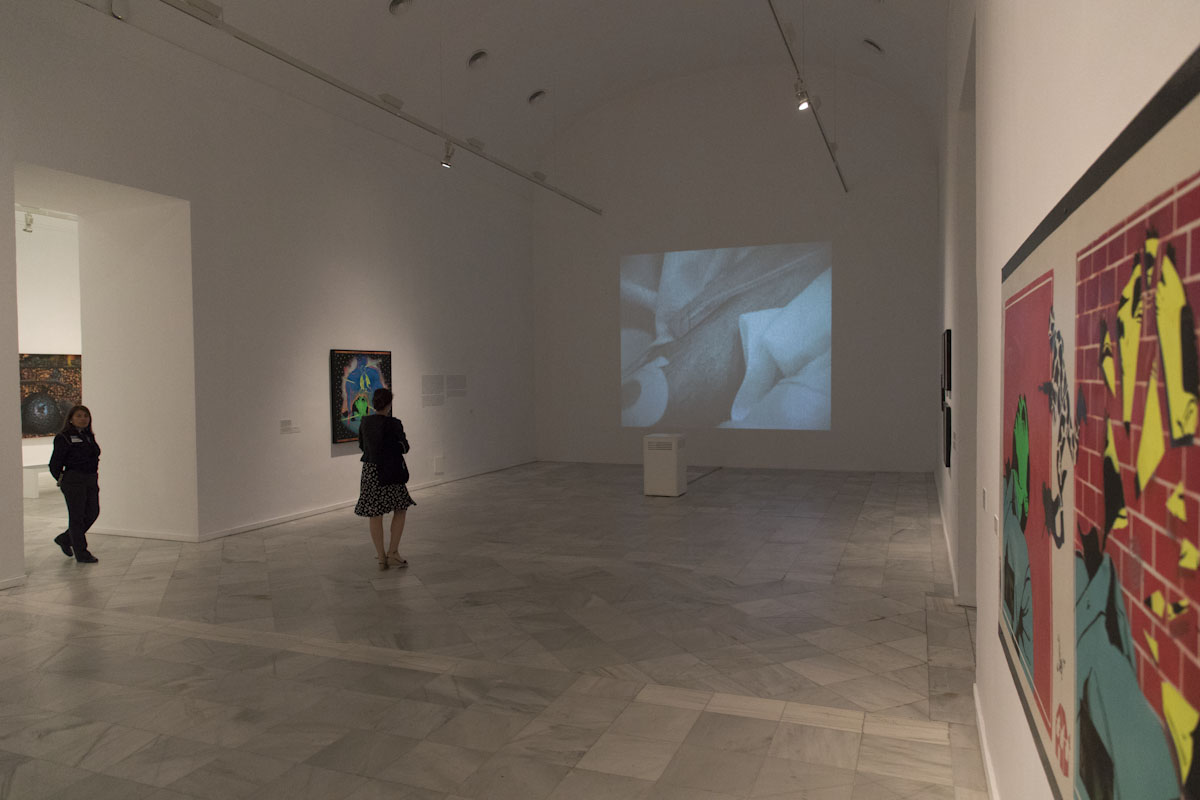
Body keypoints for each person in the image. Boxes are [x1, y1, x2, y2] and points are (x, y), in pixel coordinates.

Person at [354, 388, 415, 569]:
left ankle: (381, 556)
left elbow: (362, 446)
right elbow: (404, 448)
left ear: (374, 403)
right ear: (388, 404)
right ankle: (393, 552)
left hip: (371, 471)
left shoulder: (365, 422)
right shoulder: (394, 424)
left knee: (375, 513)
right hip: (391, 471)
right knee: (400, 508)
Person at [48, 404, 101, 564]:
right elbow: (54, 464)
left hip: (91, 479)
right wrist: (63, 480)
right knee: (77, 516)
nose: (83, 419)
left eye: (85, 416)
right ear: (71, 419)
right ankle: (81, 553)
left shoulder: (88, 436)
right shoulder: (63, 437)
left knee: (93, 512)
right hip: (74, 480)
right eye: (79, 416)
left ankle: (65, 539)